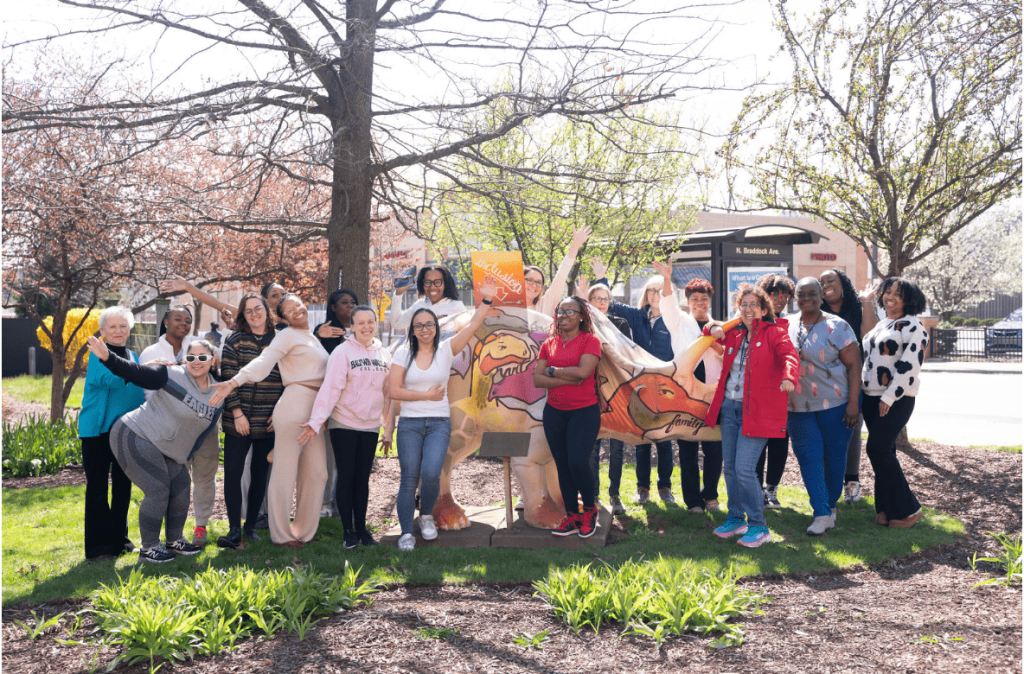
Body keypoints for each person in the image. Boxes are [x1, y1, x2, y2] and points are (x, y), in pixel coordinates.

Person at [85, 335, 223, 563]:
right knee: (158, 489)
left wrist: (185, 456)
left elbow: (203, 433)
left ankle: (174, 540)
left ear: (213, 359)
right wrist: (109, 358)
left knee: (180, 484)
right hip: (134, 433)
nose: (196, 361)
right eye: (191, 357)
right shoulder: (170, 374)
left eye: (202, 357)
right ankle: (149, 548)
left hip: (165, 445)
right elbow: (134, 372)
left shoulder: (219, 393)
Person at [209, 294, 330, 549]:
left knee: (318, 474)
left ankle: (303, 531)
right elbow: (263, 363)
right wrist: (233, 382)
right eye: (289, 310)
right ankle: (281, 535)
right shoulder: (285, 336)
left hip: (314, 410)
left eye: (298, 304)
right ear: (283, 317)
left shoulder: (311, 338)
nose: (296, 310)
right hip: (295, 404)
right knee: (284, 472)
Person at [387, 276, 498, 552]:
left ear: (436, 328)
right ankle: (405, 533)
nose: (425, 329)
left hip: (438, 423)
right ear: (412, 330)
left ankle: (426, 517)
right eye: (419, 326)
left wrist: (486, 298)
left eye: (429, 325)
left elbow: (473, 325)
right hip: (411, 424)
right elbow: (393, 391)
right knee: (409, 476)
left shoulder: (446, 350)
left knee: (432, 472)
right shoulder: (402, 354)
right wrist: (425, 395)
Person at [703, 284, 799, 548]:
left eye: (752, 305)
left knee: (745, 469)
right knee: (732, 469)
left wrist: (789, 376)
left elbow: (790, 356)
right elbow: (708, 330)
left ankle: (759, 525)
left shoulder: (775, 332)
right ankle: (736, 519)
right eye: (743, 305)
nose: (747, 309)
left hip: (757, 411)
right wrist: (717, 327)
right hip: (730, 409)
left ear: (764, 309)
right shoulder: (735, 333)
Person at [300, 306, 393, 549]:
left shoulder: (384, 354)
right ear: (351, 327)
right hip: (344, 422)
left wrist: (387, 428)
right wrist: (316, 421)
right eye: (359, 323)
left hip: (370, 425)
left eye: (370, 321)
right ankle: (348, 531)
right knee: (346, 476)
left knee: (362, 480)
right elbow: (330, 388)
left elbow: (388, 394)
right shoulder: (342, 352)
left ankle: (363, 530)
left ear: (376, 323)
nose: (366, 327)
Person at [588, 257, 677, 505]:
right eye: (651, 289)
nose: (654, 294)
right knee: (642, 439)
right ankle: (642, 489)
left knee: (665, 440)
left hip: (664, 388)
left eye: (659, 290)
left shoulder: (673, 321)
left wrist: (667, 279)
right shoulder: (636, 317)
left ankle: (665, 488)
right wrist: (600, 278)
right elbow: (608, 304)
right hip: (638, 387)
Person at [786, 278, 862, 536]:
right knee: (808, 457)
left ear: (821, 296)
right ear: (794, 298)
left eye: (812, 294)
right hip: (797, 405)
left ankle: (829, 506)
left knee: (833, 457)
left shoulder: (837, 325)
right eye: (801, 294)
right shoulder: (787, 324)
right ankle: (821, 513)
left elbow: (854, 365)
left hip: (838, 402)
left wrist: (853, 403)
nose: (807, 298)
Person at [139, 306, 216, 547]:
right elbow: (149, 392)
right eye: (178, 319)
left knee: (204, 476)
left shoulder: (199, 346)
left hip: (204, 424)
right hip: (171, 429)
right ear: (165, 322)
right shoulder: (151, 352)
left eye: (188, 320)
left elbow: (216, 369)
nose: (183, 323)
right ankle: (174, 533)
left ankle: (200, 527)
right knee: (175, 480)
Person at [216, 292, 283, 549]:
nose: (254, 314)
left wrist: (279, 414)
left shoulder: (281, 339)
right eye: (248, 311)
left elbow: (289, 379)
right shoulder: (235, 339)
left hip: (269, 420)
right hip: (238, 420)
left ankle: (251, 525)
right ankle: (234, 529)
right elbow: (228, 376)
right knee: (232, 473)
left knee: (259, 473)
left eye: (258, 309)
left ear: (267, 310)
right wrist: (237, 413)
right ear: (243, 315)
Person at [78, 306, 146, 561]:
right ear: (103, 330)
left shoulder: (134, 356)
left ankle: (120, 540)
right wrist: (135, 372)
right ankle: (98, 548)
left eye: (123, 326)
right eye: (112, 327)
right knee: (97, 488)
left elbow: (139, 392)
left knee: (122, 487)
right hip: (96, 431)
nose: (118, 331)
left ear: (129, 329)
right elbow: (113, 381)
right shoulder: (97, 354)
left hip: (124, 431)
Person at [861, 277, 929, 529]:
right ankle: (886, 509)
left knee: (876, 450)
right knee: (885, 451)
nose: (890, 297)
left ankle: (909, 509)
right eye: (887, 292)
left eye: (896, 294)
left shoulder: (914, 326)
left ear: (908, 300)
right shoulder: (884, 324)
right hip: (870, 397)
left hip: (895, 399)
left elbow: (910, 366)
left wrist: (889, 396)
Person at [533, 296, 603, 537]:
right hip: (555, 412)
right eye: (560, 311)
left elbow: (584, 373)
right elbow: (538, 379)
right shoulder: (548, 345)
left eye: (570, 311)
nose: (563, 315)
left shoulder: (590, 341)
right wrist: (567, 375)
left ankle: (590, 511)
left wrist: (553, 371)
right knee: (562, 465)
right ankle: (572, 516)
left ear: (582, 316)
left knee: (577, 461)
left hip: (584, 411)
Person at [819, 268, 880, 503]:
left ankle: (852, 482)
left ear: (843, 282)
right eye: (822, 283)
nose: (826, 285)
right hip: (825, 381)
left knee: (853, 428)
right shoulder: (818, 312)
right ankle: (828, 482)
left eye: (831, 280)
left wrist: (866, 302)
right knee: (826, 432)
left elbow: (870, 334)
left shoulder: (856, 307)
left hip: (855, 378)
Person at [665, 277, 725, 514]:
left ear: (709, 301)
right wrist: (666, 278)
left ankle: (710, 495)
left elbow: (725, 358)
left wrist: (718, 348)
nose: (699, 303)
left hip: (712, 396)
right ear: (687, 302)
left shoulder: (720, 326)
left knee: (713, 449)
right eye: (694, 299)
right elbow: (668, 303)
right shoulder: (679, 323)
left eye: (703, 299)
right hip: (686, 396)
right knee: (687, 450)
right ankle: (693, 501)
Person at [582, 281, 632, 515]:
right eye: (596, 299)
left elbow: (629, 354)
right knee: (592, 446)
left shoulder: (620, 323)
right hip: (590, 391)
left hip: (617, 392)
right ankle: (593, 496)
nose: (602, 303)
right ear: (588, 301)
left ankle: (615, 495)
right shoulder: (583, 326)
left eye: (605, 299)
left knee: (617, 447)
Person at [753, 273, 797, 508]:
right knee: (759, 443)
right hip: (758, 392)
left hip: (782, 392)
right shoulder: (753, 320)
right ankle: (757, 490)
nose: (780, 299)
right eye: (774, 294)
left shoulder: (790, 323)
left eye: (785, 296)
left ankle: (772, 490)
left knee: (780, 442)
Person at [525, 226, 592, 317]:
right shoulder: (506, 306)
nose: (534, 285)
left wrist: (575, 245)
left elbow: (561, 275)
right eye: (530, 280)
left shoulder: (545, 305)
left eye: (538, 282)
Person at [390, 265, 466, 334]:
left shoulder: (457, 307)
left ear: (446, 284)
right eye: (427, 282)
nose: (432, 287)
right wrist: (398, 294)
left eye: (437, 282)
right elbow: (396, 323)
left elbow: (468, 334)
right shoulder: (419, 305)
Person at [315, 288, 359, 354]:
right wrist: (318, 335)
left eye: (353, 302)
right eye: (344, 302)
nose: (350, 305)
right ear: (333, 307)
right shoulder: (324, 329)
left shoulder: (361, 329)